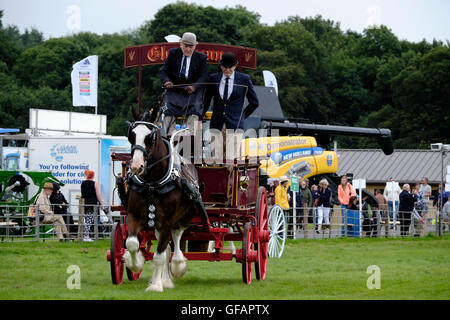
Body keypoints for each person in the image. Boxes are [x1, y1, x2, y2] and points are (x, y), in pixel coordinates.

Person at [204, 52, 259, 162]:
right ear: (221, 66)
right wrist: (200, 114)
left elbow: (254, 102)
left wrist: (242, 116)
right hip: (217, 124)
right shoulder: (213, 79)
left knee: (230, 160)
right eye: (225, 67)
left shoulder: (244, 79)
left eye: (230, 67)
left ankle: (230, 179)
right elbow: (206, 101)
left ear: (235, 66)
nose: (227, 70)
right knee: (216, 160)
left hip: (235, 125)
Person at [160, 32, 208, 137]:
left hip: (192, 92)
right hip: (174, 89)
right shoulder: (173, 53)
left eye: (191, 47)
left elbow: (203, 77)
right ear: (180, 44)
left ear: (195, 46)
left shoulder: (202, 58)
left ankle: (190, 134)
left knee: (195, 108)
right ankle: (170, 134)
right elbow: (164, 71)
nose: (188, 49)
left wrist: (194, 87)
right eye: (185, 46)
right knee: (166, 107)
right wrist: (166, 81)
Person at [81, 170, 104, 242]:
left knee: (88, 219)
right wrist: (101, 203)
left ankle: (87, 235)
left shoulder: (83, 183)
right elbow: (98, 194)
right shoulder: (95, 184)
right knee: (90, 220)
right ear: (93, 176)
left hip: (85, 203)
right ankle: (86, 236)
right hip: (93, 204)